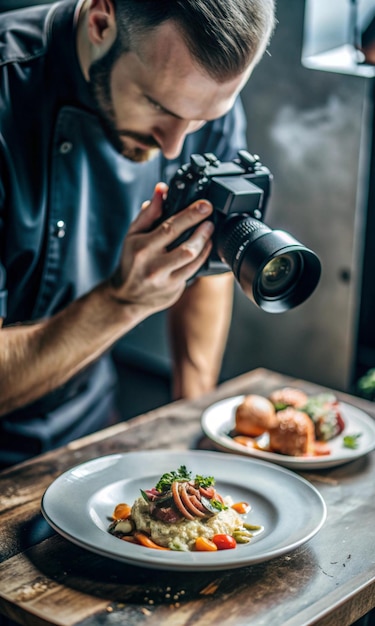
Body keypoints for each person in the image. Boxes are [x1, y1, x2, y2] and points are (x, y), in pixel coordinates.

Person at [0, 0, 275, 468]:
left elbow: (210, 260)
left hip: (91, 427)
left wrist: (192, 422)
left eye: (202, 122)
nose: (174, 145)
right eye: (158, 106)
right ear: (101, 20)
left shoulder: (194, 91)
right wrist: (122, 302)